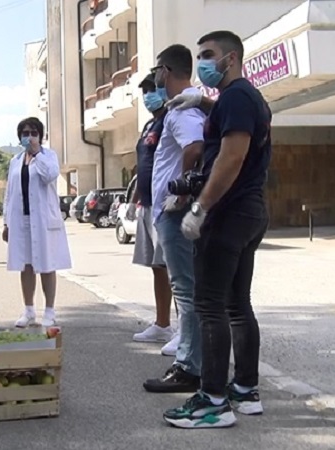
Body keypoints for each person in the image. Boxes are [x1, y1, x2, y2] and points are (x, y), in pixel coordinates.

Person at [162, 30, 272, 429]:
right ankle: (244, 390)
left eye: (208, 55)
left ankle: (212, 402)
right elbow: (232, 123)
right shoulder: (242, 97)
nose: (203, 63)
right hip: (249, 211)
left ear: (231, 58)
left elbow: (232, 156)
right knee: (237, 305)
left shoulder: (237, 96)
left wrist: (201, 207)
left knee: (209, 305)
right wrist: (203, 102)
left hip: (228, 213)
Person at [143, 44, 206, 395]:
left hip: (174, 212)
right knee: (188, 288)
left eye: (157, 71)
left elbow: (194, 147)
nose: (155, 78)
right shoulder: (181, 107)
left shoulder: (180, 109)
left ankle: (189, 367)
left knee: (186, 289)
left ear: (165, 71)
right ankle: (194, 362)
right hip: (170, 211)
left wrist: (181, 191)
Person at [2, 117, 71, 328]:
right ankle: (29, 310)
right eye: (25, 133)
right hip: (21, 219)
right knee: (26, 265)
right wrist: (6, 222)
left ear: (40, 136)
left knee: (47, 264)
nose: (29, 137)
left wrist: (36, 154)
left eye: (33, 133)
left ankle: (49, 311)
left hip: (42, 219)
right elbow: (9, 193)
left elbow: (49, 175)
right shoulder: (15, 161)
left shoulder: (48, 156)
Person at [126, 73, 176, 348]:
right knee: (158, 267)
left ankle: (185, 329)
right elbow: (143, 163)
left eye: (152, 89)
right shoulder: (149, 125)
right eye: (144, 91)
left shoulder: (171, 119)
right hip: (146, 203)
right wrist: (134, 198)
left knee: (174, 268)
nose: (148, 96)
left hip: (163, 203)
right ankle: (162, 324)